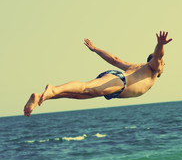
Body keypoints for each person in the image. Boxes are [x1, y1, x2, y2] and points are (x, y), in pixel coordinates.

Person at [24, 31, 172, 117]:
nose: (162, 64)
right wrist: (160, 45)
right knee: (84, 88)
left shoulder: (137, 66)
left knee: (78, 94)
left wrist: (96, 49)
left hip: (115, 83)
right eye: (162, 63)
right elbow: (158, 56)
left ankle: (42, 97)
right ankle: (52, 88)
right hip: (119, 82)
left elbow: (115, 60)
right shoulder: (154, 69)